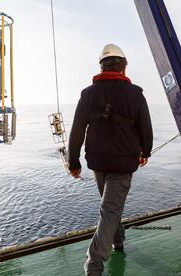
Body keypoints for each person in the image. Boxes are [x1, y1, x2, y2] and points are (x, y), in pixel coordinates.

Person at [68, 43, 153, 275]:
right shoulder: (135, 93)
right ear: (123, 67)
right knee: (110, 210)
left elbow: (76, 131)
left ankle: (118, 239)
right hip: (123, 163)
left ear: (102, 67)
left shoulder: (88, 94)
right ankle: (94, 265)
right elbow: (146, 126)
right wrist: (146, 151)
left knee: (109, 208)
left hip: (97, 162)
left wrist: (73, 162)